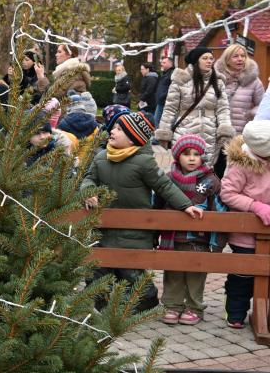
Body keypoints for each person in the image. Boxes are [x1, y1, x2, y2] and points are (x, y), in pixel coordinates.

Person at [82, 112, 203, 311]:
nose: (112, 131)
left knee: (131, 271)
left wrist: (185, 204)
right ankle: (101, 306)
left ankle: (146, 299)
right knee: (98, 269)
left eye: (119, 129)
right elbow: (89, 178)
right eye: (114, 128)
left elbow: (164, 186)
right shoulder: (101, 157)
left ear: (133, 138)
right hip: (104, 226)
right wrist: (88, 191)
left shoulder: (144, 162)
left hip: (134, 230)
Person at [156, 135, 226, 325]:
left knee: (196, 275)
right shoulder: (168, 179)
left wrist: (217, 243)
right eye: (187, 154)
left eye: (197, 154)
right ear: (178, 156)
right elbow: (157, 206)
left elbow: (219, 210)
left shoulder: (211, 181)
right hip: (173, 238)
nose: (192, 158)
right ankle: (172, 305)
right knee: (174, 273)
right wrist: (154, 235)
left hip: (199, 239)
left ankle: (194, 307)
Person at [220, 121, 270, 329]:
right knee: (243, 275)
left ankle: (264, 312)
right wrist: (255, 206)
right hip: (245, 234)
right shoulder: (241, 164)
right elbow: (228, 193)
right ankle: (235, 312)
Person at [156, 47, 235, 167]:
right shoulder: (180, 80)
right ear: (195, 60)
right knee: (184, 170)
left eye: (211, 58)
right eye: (205, 58)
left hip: (210, 133)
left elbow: (223, 109)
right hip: (184, 132)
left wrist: (225, 128)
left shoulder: (217, 82)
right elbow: (170, 109)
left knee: (206, 170)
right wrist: (164, 131)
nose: (209, 61)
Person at [215, 44, 264, 135]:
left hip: (243, 132)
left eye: (243, 56)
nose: (240, 59)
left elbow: (263, 105)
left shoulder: (253, 81)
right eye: (235, 56)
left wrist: (250, 114)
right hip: (218, 131)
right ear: (227, 60)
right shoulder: (216, 79)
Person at [52, 44, 96, 117]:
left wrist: (41, 77)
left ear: (69, 54)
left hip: (68, 117)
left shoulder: (72, 72)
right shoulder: (67, 71)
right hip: (69, 115)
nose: (56, 54)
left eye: (59, 52)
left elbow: (54, 94)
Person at [155, 56, 175, 130]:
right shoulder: (164, 73)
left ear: (170, 64)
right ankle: (158, 138)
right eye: (161, 62)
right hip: (161, 102)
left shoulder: (173, 73)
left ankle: (157, 140)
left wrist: (163, 96)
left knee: (158, 120)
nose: (162, 64)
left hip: (166, 102)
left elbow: (172, 88)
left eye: (164, 62)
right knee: (157, 120)